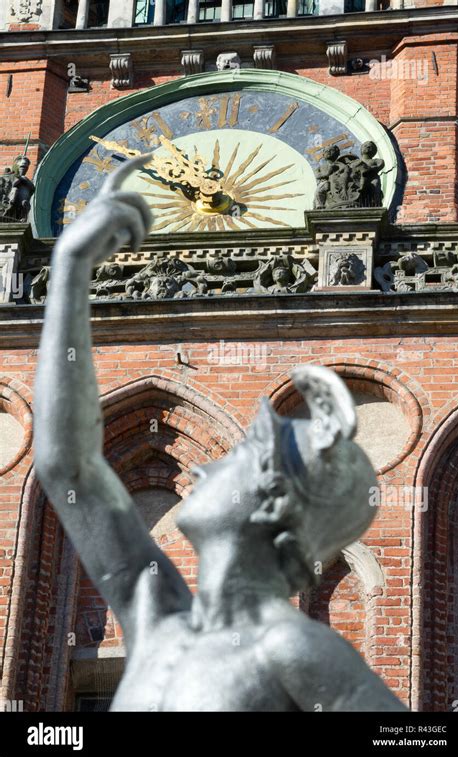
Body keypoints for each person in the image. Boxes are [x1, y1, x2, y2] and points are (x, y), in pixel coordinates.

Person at [34, 155, 407, 712]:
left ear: (273, 499)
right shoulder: (160, 618)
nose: (204, 467)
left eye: (242, 454)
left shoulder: (293, 647)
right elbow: (70, 467)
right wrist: (70, 266)